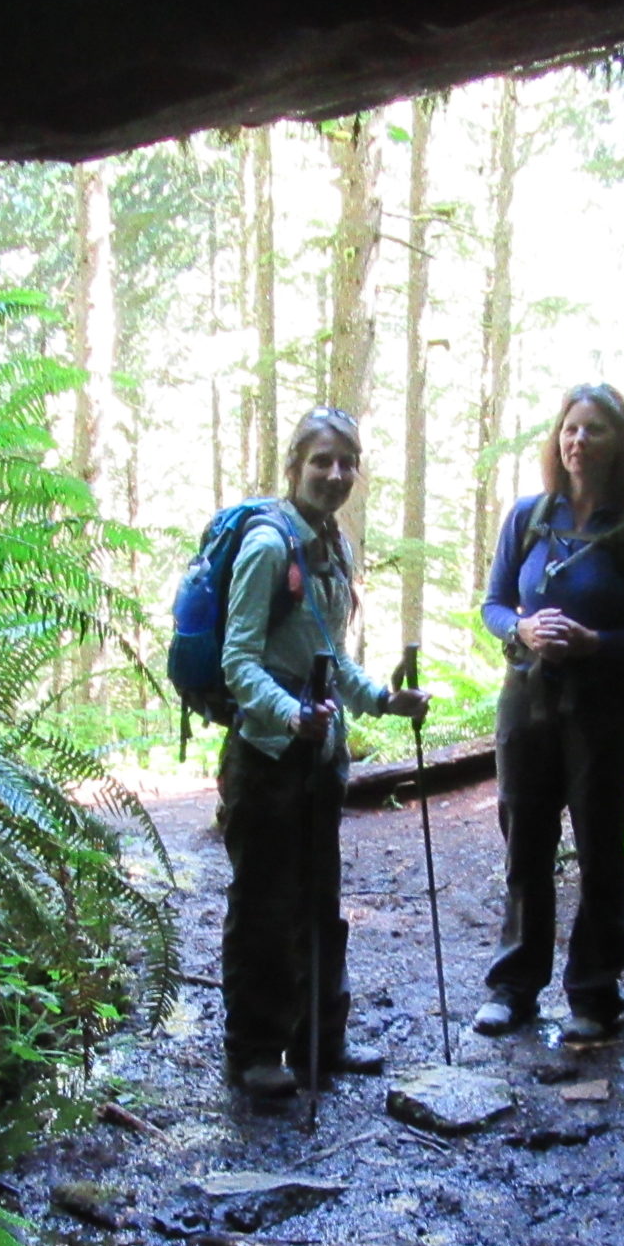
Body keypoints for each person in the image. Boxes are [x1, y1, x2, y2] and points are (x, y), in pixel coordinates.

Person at [219, 407, 431, 1099]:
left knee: (319, 899)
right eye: (321, 461)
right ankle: (255, 1049)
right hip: (267, 757)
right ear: (294, 466)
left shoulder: (331, 543)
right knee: (263, 905)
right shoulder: (267, 545)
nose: (335, 474)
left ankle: (321, 1040)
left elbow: (331, 654)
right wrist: (289, 714)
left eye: (346, 462)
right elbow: (238, 660)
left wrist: (381, 699)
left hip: (320, 758)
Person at [473, 383, 624, 1043]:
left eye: (594, 429)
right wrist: (525, 631)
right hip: (526, 703)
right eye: (570, 427)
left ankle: (595, 992)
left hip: (602, 709)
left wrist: (598, 644)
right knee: (526, 843)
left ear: (619, 442)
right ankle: (515, 987)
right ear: (556, 438)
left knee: (599, 846)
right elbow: (494, 606)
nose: (578, 440)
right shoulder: (529, 518)